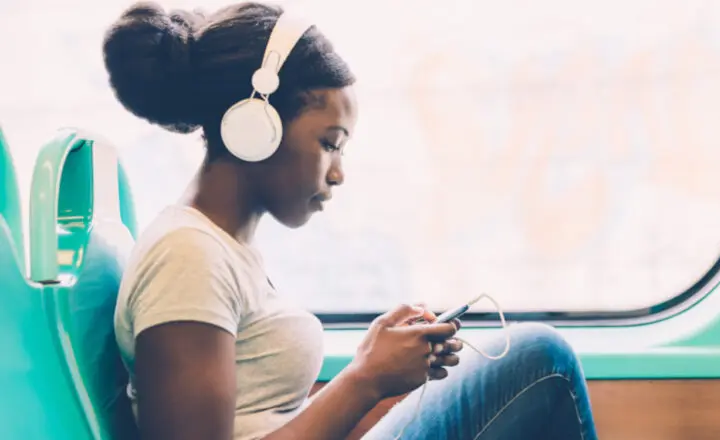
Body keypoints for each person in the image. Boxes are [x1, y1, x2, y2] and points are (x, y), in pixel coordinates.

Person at [104, 1, 600, 439]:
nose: (338, 173)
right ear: (255, 127)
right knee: (541, 360)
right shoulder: (187, 255)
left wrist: (376, 362)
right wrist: (364, 379)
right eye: (329, 143)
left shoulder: (222, 249)